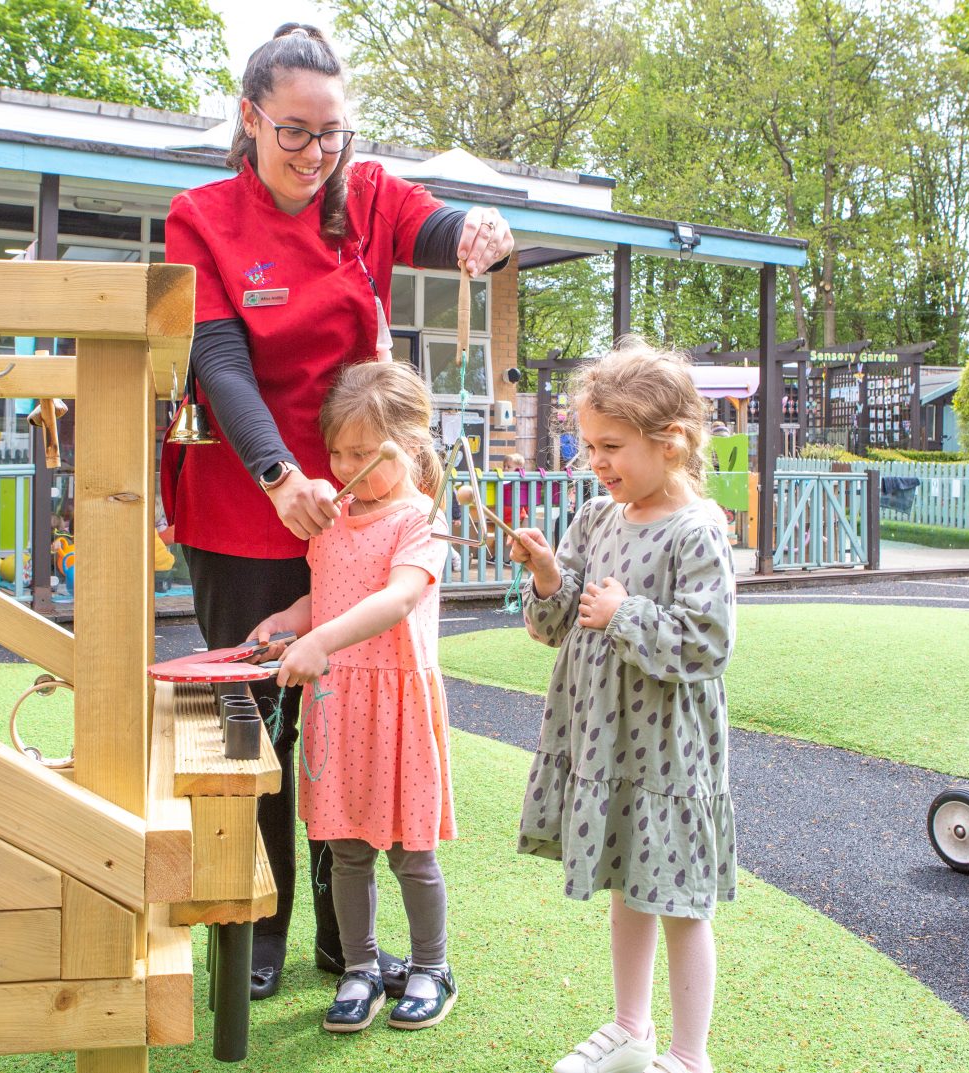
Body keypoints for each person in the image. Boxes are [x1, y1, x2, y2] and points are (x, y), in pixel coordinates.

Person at [162, 23, 512, 999]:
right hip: (245, 499)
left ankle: (342, 943)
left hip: (360, 509)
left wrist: (479, 229)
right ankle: (257, 923)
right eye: (295, 134)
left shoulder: (364, 194)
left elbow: (438, 230)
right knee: (252, 721)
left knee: (345, 722)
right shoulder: (202, 215)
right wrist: (279, 474)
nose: (317, 155)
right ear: (250, 118)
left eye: (333, 134)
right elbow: (218, 358)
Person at [508, 339, 737, 1073]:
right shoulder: (598, 517)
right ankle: (631, 1030)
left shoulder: (697, 528)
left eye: (612, 446)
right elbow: (555, 626)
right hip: (606, 738)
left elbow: (707, 644)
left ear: (670, 443)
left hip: (669, 748)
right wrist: (548, 577)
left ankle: (689, 1054)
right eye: (588, 446)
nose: (598, 462)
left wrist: (627, 611)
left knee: (680, 900)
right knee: (628, 880)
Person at [248, 362, 458, 1033]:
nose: (346, 465)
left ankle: (432, 967)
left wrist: (320, 644)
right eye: (338, 451)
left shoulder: (422, 519)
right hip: (340, 704)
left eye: (364, 454)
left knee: (409, 850)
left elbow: (397, 598)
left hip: (396, 704)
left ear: (410, 447)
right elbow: (329, 593)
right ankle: (361, 966)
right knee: (345, 849)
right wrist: (289, 622)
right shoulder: (332, 517)